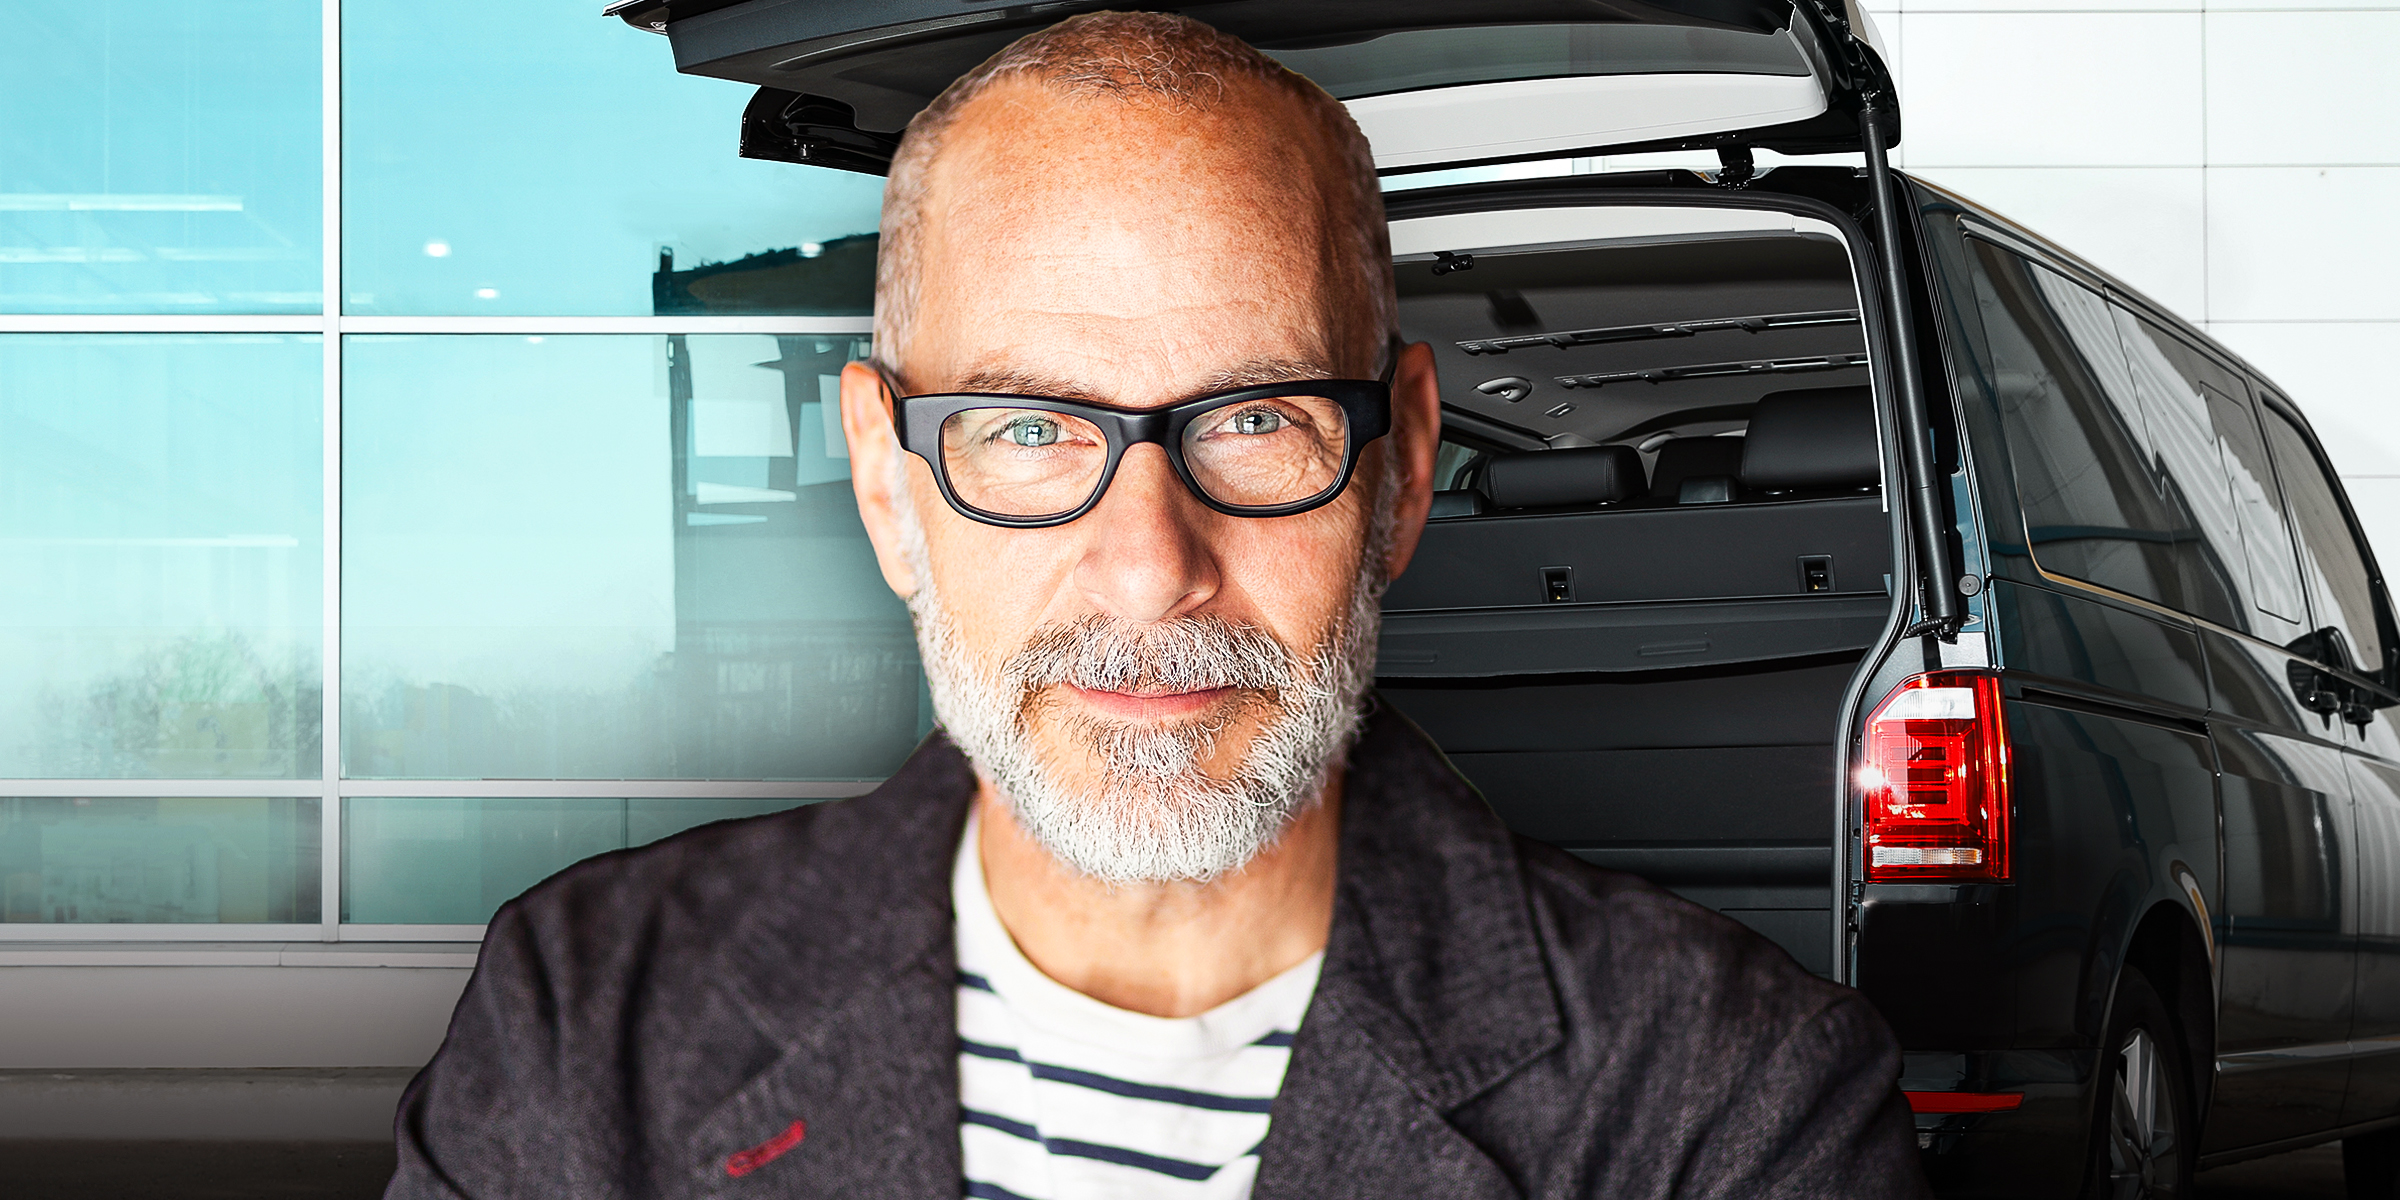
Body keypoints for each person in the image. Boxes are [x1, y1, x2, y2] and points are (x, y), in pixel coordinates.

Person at [387, 12, 1929, 1199]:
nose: (1147, 564)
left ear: (1399, 475)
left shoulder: (1732, 1107)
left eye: (1256, 421)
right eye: (1032, 428)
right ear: (884, 480)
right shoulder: (585, 1022)